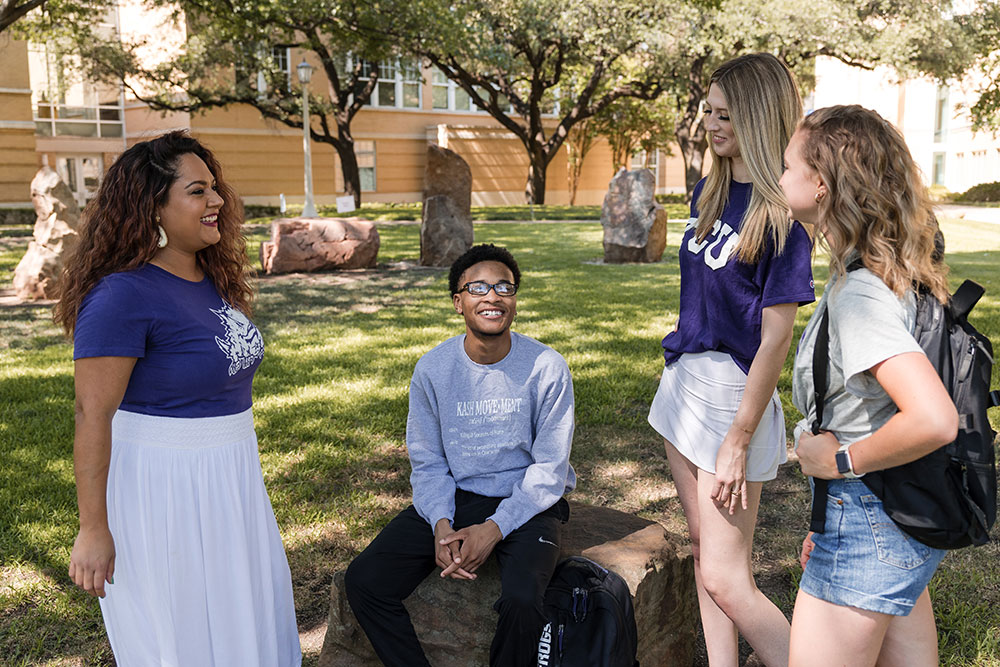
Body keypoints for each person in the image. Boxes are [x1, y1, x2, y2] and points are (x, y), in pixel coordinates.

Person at [54, 131, 301, 666]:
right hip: (165, 489)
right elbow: (91, 413)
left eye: (214, 188)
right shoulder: (121, 295)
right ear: (154, 208)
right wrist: (93, 527)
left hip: (232, 476)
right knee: (184, 632)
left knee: (246, 618)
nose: (217, 201)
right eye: (197, 191)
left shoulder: (211, 278)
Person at [646, 52, 815, 666]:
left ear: (760, 117)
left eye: (726, 116)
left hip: (731, 399)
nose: (711, 126)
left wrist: (740, 437)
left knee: (726, 575)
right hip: (684, 381)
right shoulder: (709, 191)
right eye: (709, 112)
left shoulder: (783, 219)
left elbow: (775, 340)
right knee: (701, 548)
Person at [781, 105, 958, 667]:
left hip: (866, 519)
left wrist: (840, 464)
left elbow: (934, 418)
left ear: (822, 185)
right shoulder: (890, 271)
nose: (780, 176)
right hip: (891, 519)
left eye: (789, 165)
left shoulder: (860, 294)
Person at [344, 243, 575, 667]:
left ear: (515, 301)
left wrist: (494, 529)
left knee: (523, 601)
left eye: (504, 287)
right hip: (458, 494)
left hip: (527, 502)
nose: (492, 297)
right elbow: (428, 462)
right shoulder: (432, 369)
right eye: (478, 288)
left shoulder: (547, 366)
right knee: (364, 580)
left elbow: (549, 469)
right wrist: (440, 524)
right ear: (458, 302)